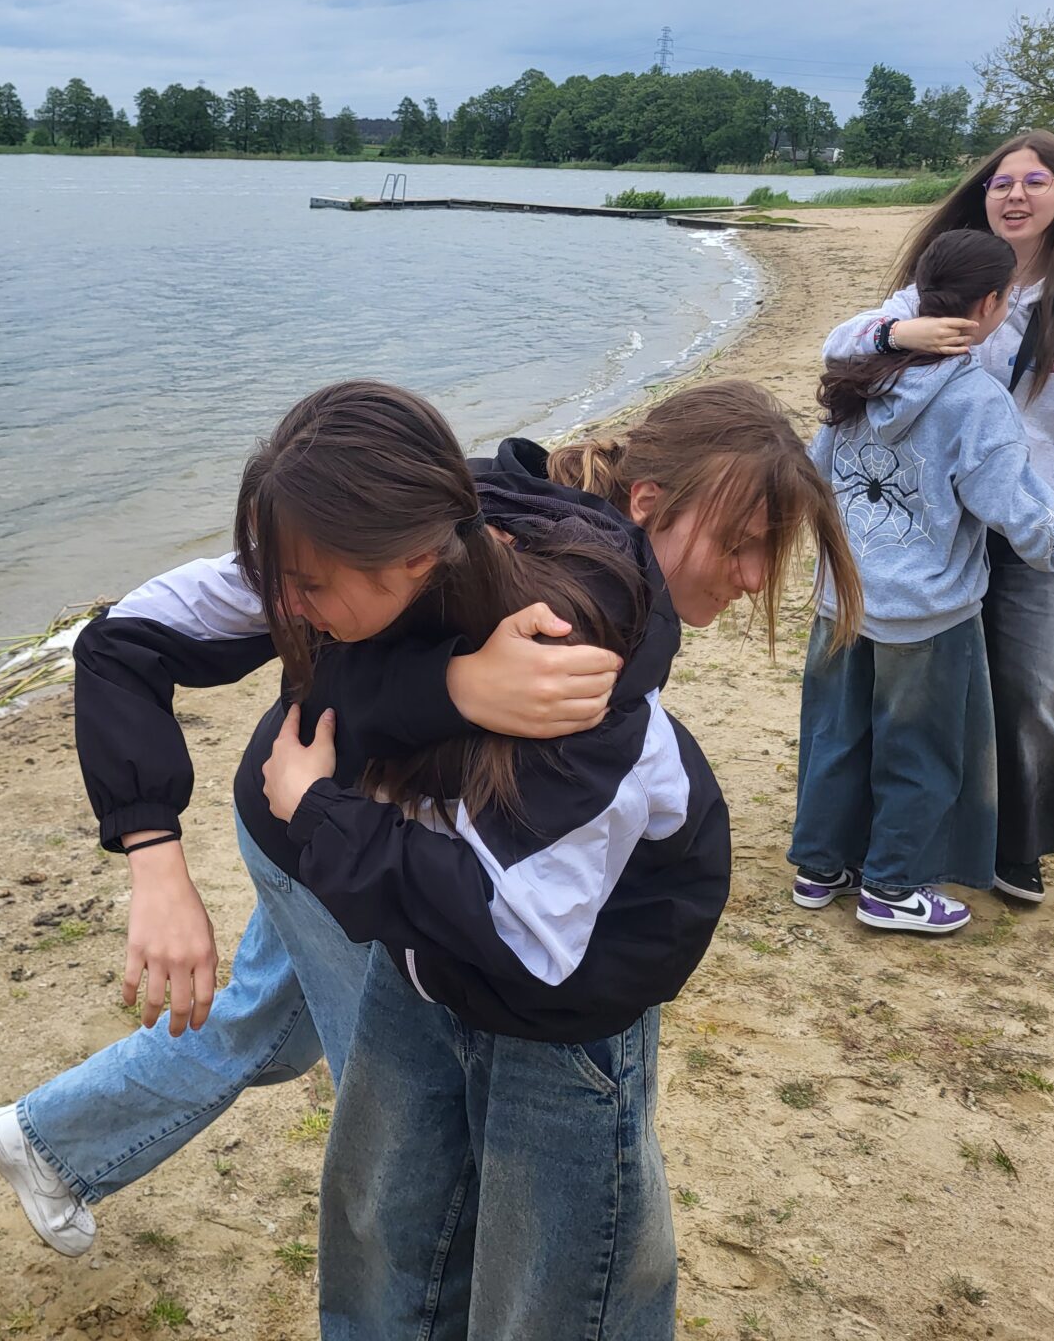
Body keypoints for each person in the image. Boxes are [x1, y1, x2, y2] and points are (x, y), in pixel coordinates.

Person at [0, 379, 861, 1260]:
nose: (754, 578)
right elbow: (137, 640)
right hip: (315, 821)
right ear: (646, 501)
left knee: (264, 1026)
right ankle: (63, 1146)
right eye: (739, 544)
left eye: (768, 552)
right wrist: (158, 860)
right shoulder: (378, 537)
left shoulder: (558, 574)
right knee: (395, 1119)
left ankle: (49, 1141)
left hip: (343, 820)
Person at [241, 381, 728, 1339]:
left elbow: (523, 930)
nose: (286, 609)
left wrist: (320, 814)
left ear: (415, 558)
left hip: (564, 1019)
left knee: (551, 1292)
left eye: (308, 586)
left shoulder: (568, 669)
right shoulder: (400, 574)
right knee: (386, 1237)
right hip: (427, 968)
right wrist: (449, 687)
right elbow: (197, 654)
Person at [823, 129, 1054, 903]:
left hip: (1043, 513)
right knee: (925, 687)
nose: (1015, 195)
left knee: (1028, 683)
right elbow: (845, 343)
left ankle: (1020, 840)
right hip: (937, 520)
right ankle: (904, 836)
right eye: (1001, 183)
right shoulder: (942, 282)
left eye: (1035, 182)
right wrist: (899, 332)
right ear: (983, 196)